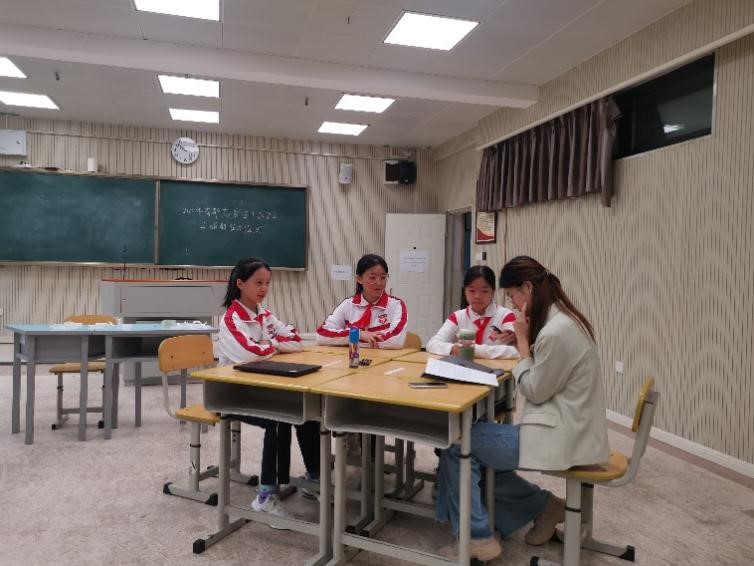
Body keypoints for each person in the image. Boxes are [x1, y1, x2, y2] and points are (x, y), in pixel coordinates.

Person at [435, 256, 609, 561]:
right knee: (476, 441)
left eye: (513, 296)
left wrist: (524, 343)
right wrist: (523, 343)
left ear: (527, 288)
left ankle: (477, 538)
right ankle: (543, 506)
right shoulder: (563, 320)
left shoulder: (556, 332)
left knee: (458, 444)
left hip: (562, 434)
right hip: (569, 426)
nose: (514, 305)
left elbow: (534, 390)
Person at [217, 257, 320, 523]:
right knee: (277, 419)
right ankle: (265, 496)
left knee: (306, 408)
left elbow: (296, 341)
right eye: (258, 283)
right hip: (232, 393)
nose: (264, 289)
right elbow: (247, 355)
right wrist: (274, 344)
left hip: (264, 387)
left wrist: (268, 344)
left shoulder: (264, 315)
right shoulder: (231, 319)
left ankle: (314, 478)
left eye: (267, 283)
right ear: (240, 284)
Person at [316, 253, 407, 349]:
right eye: (372, 277)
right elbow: (321, 335)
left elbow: (396, 341)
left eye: (383, 277)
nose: (379, 283)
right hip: (352, 357)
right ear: (359, 279)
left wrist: (351, 341)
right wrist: (358, 334)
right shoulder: (348, 305)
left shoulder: (396, 305)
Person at [426, 265, 518, 359]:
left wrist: (474, 350)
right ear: (465, 291)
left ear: (493, 292)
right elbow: (432, 344)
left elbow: (517, 350)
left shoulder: (505, 316)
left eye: (484, 291)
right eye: (472, 291)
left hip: (496, 367)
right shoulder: (458, 317)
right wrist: (453, 348)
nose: (477, 296)